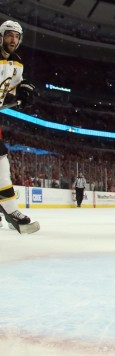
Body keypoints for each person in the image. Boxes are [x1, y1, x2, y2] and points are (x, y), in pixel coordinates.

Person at [0, 20, 39, 234]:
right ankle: (10, 208)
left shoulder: (16, 62)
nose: (12, 39)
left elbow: (13, 88)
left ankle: (8, 208)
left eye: (16, 36)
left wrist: (24, 90)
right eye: (8, 35)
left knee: (0, 161)